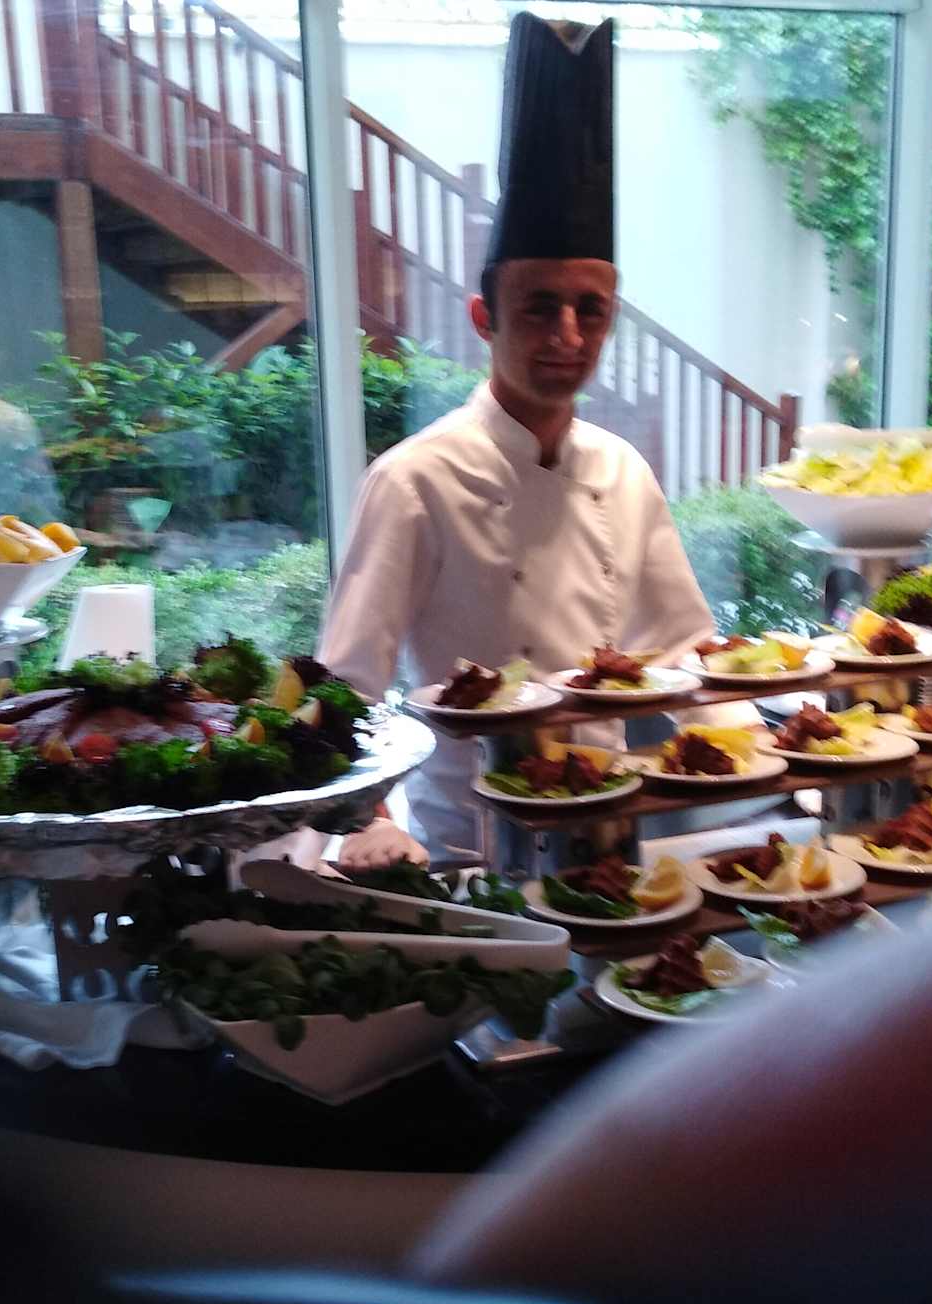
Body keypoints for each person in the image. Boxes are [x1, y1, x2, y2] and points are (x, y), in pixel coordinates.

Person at [319, 13, 716, 868]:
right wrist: (370, 821)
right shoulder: (414, 479)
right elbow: (347, 686)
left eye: (590, 310)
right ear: (483, 317)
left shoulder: (623, 470)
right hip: (468, 850)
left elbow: (687, 649)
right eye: (540, 307)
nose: (568, 335)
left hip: (611, 835)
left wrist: (783, 763)